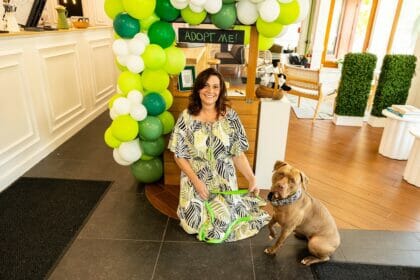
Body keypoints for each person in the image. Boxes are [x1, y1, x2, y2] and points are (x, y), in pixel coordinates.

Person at [168, 67, 270, 242]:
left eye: (216, 87)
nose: (210, 91)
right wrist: (197, 183)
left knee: (223, 223)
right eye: (206, 86)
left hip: (223, 178)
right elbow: (179, 155)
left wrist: (252, 178)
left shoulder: (230, 117)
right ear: (198, 89)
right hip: (195, 177)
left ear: (221, 90)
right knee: (194, 224)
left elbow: (237, 154)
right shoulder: (186, 117)